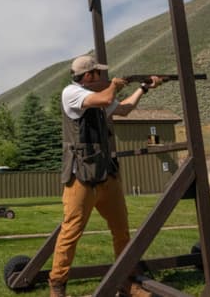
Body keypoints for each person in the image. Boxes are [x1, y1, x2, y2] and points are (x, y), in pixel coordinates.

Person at [48, 54, 163, 297]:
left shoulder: (97, 97)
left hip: (105, 172)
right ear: (89, 75)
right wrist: (114, 86)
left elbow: (123, 109)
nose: (102, 75)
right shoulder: (71, 93)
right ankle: (57, 285)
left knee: (121, 230)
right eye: (98, 73)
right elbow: (106, 97)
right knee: (70, 232)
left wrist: (143, 88)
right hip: (81, 175)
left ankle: (125, 280)